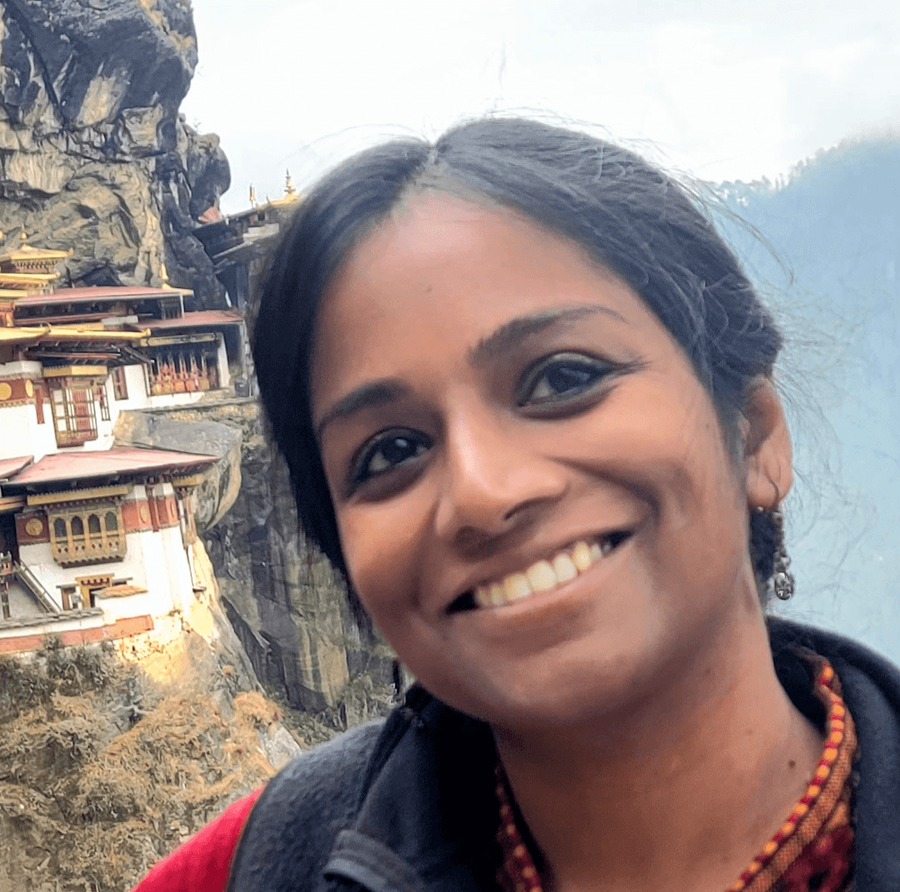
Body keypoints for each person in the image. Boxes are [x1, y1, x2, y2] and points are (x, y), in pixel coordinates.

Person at [132, 118, 900, 892]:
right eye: (390, 451)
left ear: (755, 435)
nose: (483, 492)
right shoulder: (256, 870)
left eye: (563, 378)